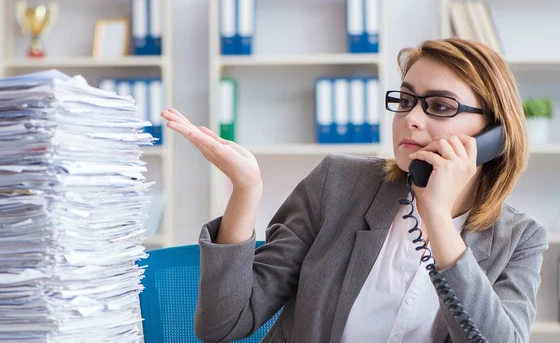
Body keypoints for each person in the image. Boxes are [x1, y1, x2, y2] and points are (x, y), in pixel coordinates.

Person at [160, 38, 549, 343]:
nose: (411, 119)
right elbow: (223, 325)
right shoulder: (338, 183)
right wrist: (245, 190)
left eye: (440, 106)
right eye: (406, 99)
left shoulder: (519, 238)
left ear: (494, 133)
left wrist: (438, 221)